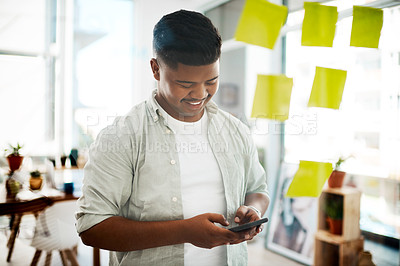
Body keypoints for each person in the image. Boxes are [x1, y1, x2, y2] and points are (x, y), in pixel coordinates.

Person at [76, 9, 269, 266]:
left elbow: (257, 189)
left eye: (211, 81)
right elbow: (92, 227)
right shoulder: (122, 137)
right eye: (185, 84)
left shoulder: (236, 131)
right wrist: (185, 231)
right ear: (156, 69)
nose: (200, 94)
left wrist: (253, 211)